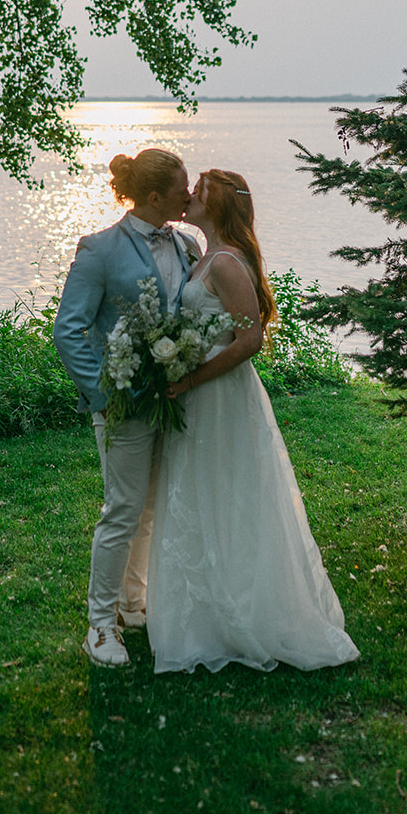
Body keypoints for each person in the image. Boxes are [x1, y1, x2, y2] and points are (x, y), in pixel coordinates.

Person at [146, 169, 360, 674]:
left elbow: (249, 341)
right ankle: (208, 613)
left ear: (217, 206)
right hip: (200, 394)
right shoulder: (204, 258)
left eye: (199, 191)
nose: (190, 196)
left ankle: (249, 614)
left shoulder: (225, 263)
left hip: (220, 397)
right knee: (203, 494)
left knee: (231, 495)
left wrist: (190, 378)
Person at [53, 147, 195, 667]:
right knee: (121, 511)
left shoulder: (185, 244)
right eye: (183, 186)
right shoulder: (99, 250)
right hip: (121, 406)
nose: (190, 192)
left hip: (172, 401)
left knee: (151, 508)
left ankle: (134, 605)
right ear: (155, 196)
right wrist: (104, 396)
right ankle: (99, 626)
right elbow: (68, 330)